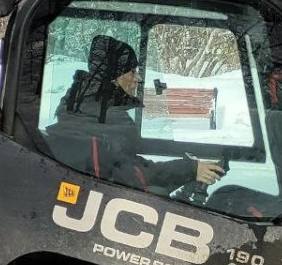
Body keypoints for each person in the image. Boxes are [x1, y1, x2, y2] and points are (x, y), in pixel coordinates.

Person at [45, 35, 224, 195]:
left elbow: (128, 165)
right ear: (114, 78)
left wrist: (188, 170)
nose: (138, 78)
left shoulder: (87, 109)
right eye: (132, 72)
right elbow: (135, 177)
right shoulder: (101, 120)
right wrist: (190, 169)